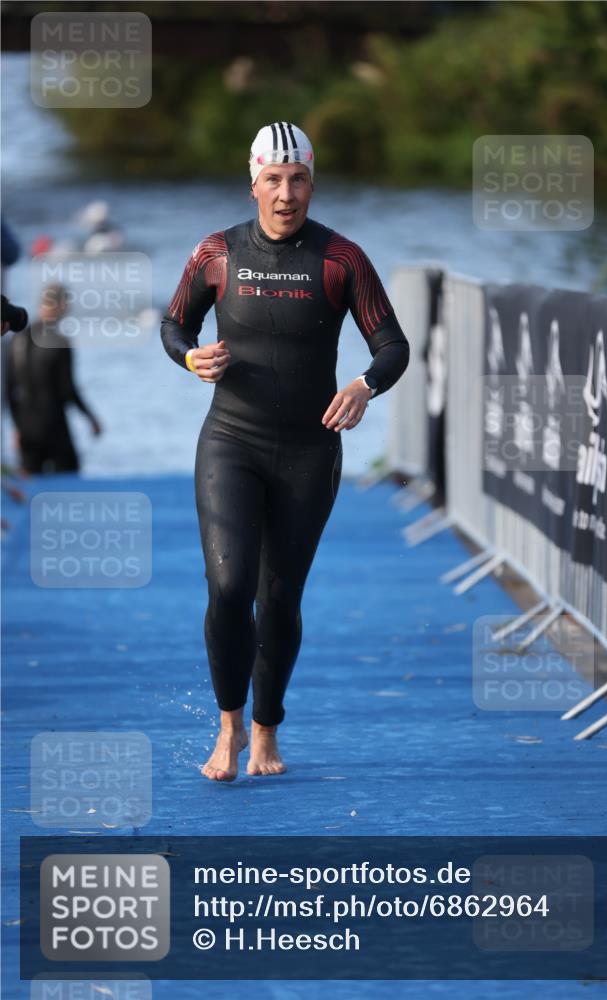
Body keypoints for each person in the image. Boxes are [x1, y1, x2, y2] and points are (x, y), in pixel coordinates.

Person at [160, 122, 409, 782]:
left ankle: (267, 728)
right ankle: (229, 726)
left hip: (307, 450)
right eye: (273, 179)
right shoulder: (217, 253)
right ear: (254, 186)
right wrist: (190, 356)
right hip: (230, 441)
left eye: (297, 179)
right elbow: (174, 322)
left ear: (311, 184)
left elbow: (393, 346)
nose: (286, 192)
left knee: (279, 597)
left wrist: (363, 384)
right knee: (229, 585)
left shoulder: (340, 259)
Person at [6, 284, 102, 474]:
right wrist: (90, 417)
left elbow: (9, 390)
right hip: (54, 425)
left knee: (31, 489)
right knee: (68, 482)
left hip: (26, 429)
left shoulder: (17, 340)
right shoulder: (60, 342)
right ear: (62, 306)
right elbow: (67, 389)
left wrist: (16, 427)